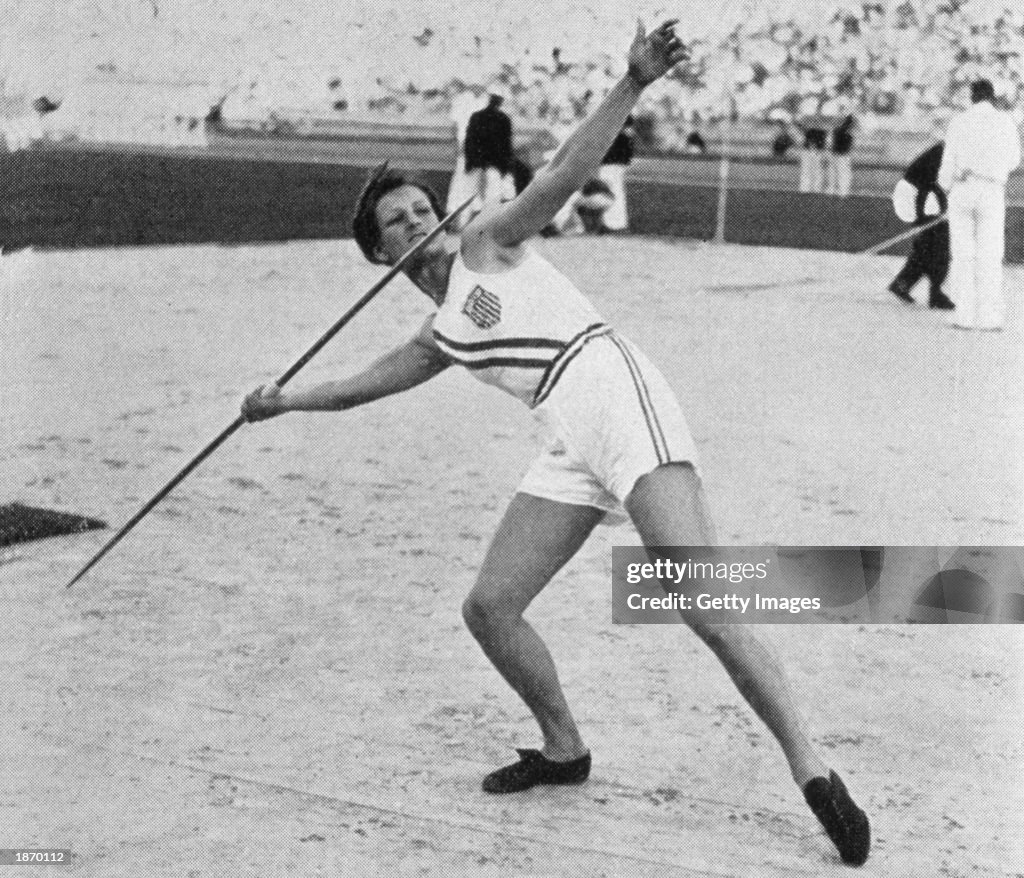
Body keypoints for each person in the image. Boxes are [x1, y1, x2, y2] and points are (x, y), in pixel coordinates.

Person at [241, 19, 870, 867]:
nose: (420, 221)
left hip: (614, 390)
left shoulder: (483, 242)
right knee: (489, 607)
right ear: (379, 252)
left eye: (424, 205)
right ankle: (564, 747)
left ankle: (814, 769)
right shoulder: (438, 333)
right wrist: (283, 402)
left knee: (702, 603)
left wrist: (632, 83)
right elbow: (362, 386)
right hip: (568, 433)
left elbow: (566, 174)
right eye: (399, 221)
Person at [938, 78, 1021, 330]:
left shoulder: (959, 121)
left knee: (962, 254)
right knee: (991, 254)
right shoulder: (1005, 122)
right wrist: (995, 169)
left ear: (972, 97)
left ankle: (963, 315)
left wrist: (948, 185)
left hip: (964, 187)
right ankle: (990, 317)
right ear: (992, 97)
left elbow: (947, 162)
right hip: (991, 189)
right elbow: (1014, 159)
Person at [888, 141, 955, 310]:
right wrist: (935, 211)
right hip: (918, 194)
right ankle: (935, 294)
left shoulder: (949, 147)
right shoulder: (951, 150)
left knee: (929, 247)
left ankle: (904, 284)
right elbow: (934, 182)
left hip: (918, 193)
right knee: (939, 245)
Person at [463, 89, 516, 217]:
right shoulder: (504, 118)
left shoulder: (477, 116)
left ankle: (482, 214)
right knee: (493, 192)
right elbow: (507, 144)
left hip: (480, 161)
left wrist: (470, 161)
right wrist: (506, 164)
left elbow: (469, 140)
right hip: (494, 162)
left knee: (480, 193)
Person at [597, 115, 635, 232]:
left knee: (610, 192)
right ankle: (613, 223)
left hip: (611, 164)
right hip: (615, 164)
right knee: (615, 192)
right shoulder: (625, 129)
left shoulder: (616, 128)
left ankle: (611, 224)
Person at [827, 115, 856, 197]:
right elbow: (849, 146)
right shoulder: (848, 132)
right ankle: (843, 192)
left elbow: (832, 143)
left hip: (835, 154)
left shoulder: (836, 130)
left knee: (833, 173)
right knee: (844, 174)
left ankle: (831, 191)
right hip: (843, 155)